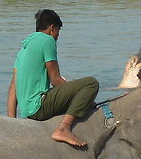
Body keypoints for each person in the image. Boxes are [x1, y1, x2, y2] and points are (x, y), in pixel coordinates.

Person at [7, 9, 98, 148]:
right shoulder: (47, 40)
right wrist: (82, 96)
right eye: (58, 32)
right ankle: (63, 128)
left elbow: (13, 87)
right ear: (52, 28)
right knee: (91, 84)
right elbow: (55, 80)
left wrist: (11, 123)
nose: (57, 36)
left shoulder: (24, 47)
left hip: (27, 111)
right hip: (39, 106)